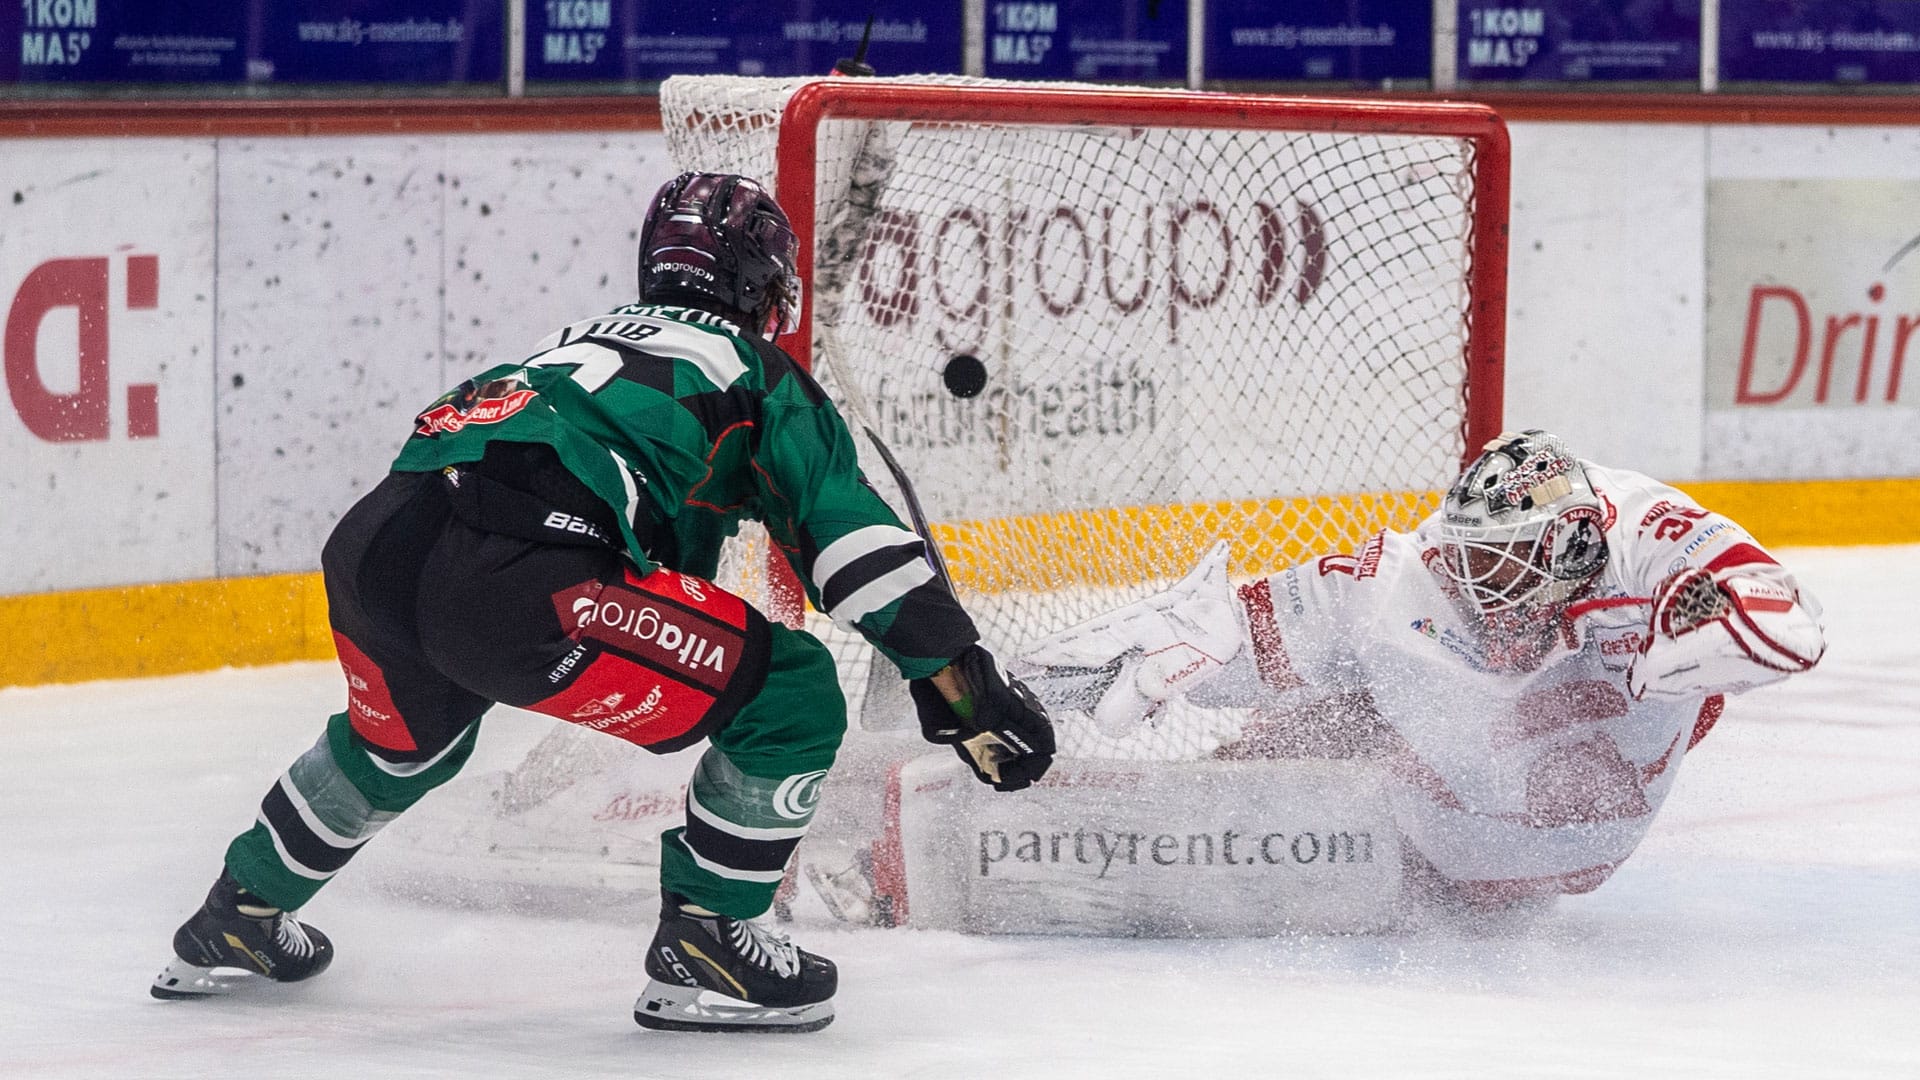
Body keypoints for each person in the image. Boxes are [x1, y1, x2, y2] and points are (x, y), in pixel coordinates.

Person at [150, 172, 1055, 1032]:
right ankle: (709, 937)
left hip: (380, 545)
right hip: (523, 572)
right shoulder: (754, 372)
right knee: (792, 692)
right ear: (757, 287)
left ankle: (241, 911)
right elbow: (854, 542)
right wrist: (961, 683)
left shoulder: (588, 338)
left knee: (403, 747)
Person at [1013, 430, 1825, 908]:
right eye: (1466, 552)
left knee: (1354, 721)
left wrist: (1693, 652)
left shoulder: (1646, 530)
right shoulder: (1411, 574)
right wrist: (1029, 688)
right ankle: (1196, 807)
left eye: (1498, 564)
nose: (1470, 581)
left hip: (1465, 854)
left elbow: (1783, 624)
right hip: (1498, 830)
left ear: (1569, 546)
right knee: (1340, 706)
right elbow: (1236, 633)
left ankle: (1178, 836)